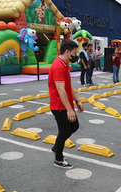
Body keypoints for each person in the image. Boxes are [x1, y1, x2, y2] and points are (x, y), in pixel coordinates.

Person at [48, 40, 85, 169]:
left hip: (66, 105)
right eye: (74, 53)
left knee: (74, 126)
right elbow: (61, 89)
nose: (75, 56)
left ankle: (57, 146)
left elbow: (68, 86)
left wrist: (77, 101)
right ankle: (58, 159)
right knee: (64, 130)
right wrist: (69, 110)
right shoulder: (58, 66)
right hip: (59, 106)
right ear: (67, 51)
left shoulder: (64, 64)